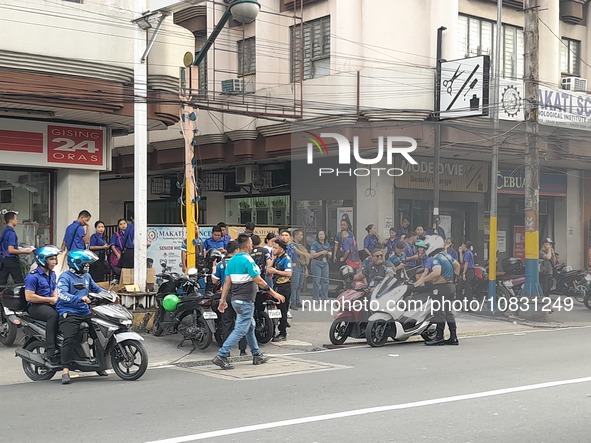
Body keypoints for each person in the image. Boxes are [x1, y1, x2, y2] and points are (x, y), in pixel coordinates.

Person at [212, 234, 285, 370]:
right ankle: (221, 355)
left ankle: (256, 354)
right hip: (246, 301)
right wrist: (274, 293)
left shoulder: (232, 260)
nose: (252, 245)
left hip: (235, 300)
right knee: (240, 329)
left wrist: (223, 300)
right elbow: (258, 280)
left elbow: (227, 283)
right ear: (247, 245)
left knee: (249, 326)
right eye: (251, 243)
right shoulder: (247, 260)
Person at [56, 250, 109, 384]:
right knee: (69, 338)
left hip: (85, 312)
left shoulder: (86, 276)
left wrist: (110, 294)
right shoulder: (65, 277)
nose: (87, 266)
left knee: (99, 335)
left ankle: (100, 365)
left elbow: (97, 289)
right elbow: (62, 294)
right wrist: (79, 298)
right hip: (69, 312)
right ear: (76, 263)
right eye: (85, 263)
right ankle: (65, 371)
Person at [415, 238, 460, 346]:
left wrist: (422, 280)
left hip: (440, 288)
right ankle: (453, 337)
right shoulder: (447, 256)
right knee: (448, 312)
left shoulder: (436, 258)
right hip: (450, 286)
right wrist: (454, 277)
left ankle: (439, 337)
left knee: (439, 312)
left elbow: (436, 272)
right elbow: (457, 266)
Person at [24, 245, 61, 365]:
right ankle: (51, 350)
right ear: (42, 260)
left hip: (50, 302)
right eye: (51, 259)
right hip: (35, 307)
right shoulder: (32, 276)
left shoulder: (52, 274)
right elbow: (29, 297)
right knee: (53, 316)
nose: (54, 261)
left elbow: (54, 289)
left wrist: (56, 298)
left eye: (55, 258)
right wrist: (50, 299)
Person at [212, 241, 246, 356]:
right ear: (236, 250)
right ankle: (243, 350)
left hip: (226, 295)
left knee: (226, 323)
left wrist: (213, 268)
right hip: (240, 295)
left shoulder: (220, 264)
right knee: (241, 322)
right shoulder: (240, 262)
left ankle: (227, 352)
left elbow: (214, 281)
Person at [266, 238, 292, 342]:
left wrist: (275, 271)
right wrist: (272, 258)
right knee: (272, 307)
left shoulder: (286, 259)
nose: (273, 249)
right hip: (276, 286)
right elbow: (269, 269)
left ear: (281, 249)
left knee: (283, 310)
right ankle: (271, 330)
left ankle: (283, 333)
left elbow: (289, 273)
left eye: (275, 248)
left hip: (285, 286)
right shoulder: (277, 258)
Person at [0, 211, 34, 285]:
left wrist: (22, 248)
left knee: (2, 281)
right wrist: (26, 252)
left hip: (3, 259)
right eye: (16, 219)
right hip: (11, 260)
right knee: (19, 281)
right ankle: (21, 295)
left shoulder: (5, 231)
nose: (17, 221)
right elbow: (11, 250)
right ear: (11, 220)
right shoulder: (11, 233)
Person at [290, 229, 312, 310]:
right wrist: (307, 254)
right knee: (295, 285)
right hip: (295, 266)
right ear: (295, 236)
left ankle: (298, 301)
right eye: (300, 235)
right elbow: (298, 253)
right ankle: (293, 302)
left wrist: (306, 269)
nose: (302, 236)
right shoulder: (292, 245)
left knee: (300, 285)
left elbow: (304, 259)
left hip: (302, 266)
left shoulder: (301, 246)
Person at [309, 230, 331, 301]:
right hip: (316, 262)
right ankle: (315, 298)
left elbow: (330, 253)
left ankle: (324, 298)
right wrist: (322, 252)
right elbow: (312, 255)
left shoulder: (327, 244)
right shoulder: (315, 244)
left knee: (325, 280)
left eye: (322, 234)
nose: (321, 236)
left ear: (325, 236)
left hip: (325, 263)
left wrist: (329, 254)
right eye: (319, 234)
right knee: (316, 281)